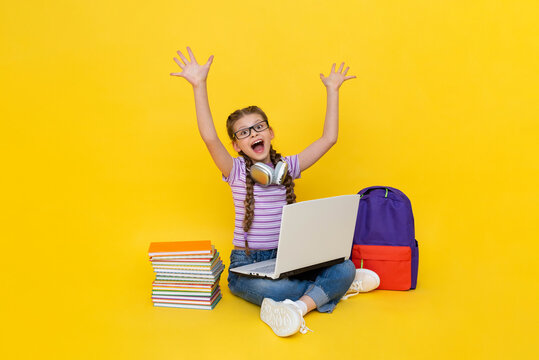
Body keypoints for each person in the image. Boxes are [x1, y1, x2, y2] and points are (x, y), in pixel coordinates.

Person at [170, 47, 380, 337]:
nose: (253, 134)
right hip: (247, 266)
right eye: (244, 132)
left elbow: (329, 138)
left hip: (289, 259)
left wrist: (333, 89)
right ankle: (328, 291)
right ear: (236, 146)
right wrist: (199, 84)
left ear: (270, 133)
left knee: (344, 266)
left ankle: (300, 306)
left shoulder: (288, 167)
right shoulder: (235, 171)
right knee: (275, 288)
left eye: (259, 127)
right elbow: (208, 136)